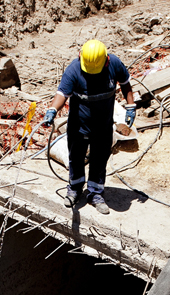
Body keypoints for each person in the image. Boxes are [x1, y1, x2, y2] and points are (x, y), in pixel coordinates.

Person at [41, 39, 136, 215]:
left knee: (100, 160)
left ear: (106, 61)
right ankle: (75, 189)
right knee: (76, 158)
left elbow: (125, 83)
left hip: (103, 126)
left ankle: (96, 193)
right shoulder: (74, 69)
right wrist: (52, 110)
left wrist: (130, 106)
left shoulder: (114, 64)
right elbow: (62, 93)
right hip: (79, 126)